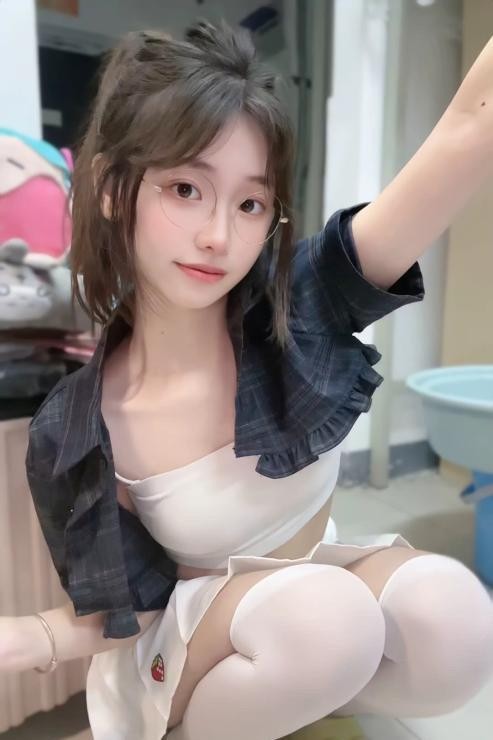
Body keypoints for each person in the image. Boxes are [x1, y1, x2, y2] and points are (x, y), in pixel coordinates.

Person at [2, 18, 493, 740]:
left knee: (451, 619)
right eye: (184, 189)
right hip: (191, 650)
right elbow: (128, 601)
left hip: (314, 614)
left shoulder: (297, 310)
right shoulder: (79, 425)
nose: (218, 237)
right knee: (325, 620)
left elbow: (468, 129)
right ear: (110, 189)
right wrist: (29, 638)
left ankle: (303, 696)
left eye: (250, 204)